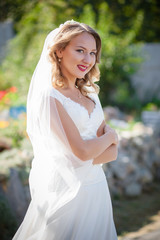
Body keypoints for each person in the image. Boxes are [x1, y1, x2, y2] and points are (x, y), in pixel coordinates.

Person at [12, 20, 118, 240]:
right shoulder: (50, 98)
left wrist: (92, 150)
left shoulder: (91, 94)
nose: (87, 60)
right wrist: (111, 136)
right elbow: (83, 151)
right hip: (67, 193)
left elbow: (112, 153)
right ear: (60, 50)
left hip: (96, 187)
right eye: (80, 50)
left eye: (92, 53)